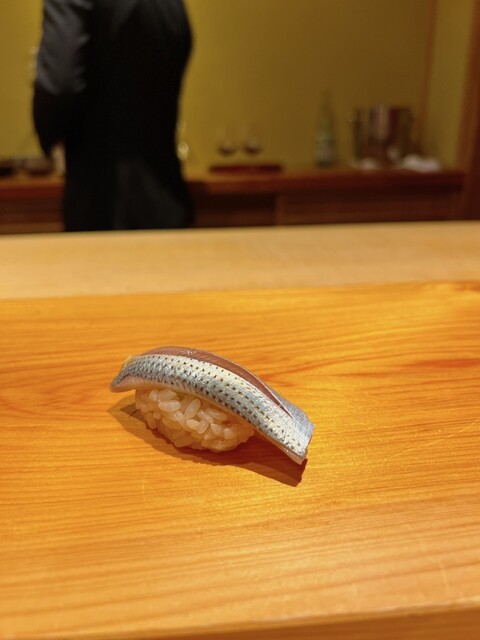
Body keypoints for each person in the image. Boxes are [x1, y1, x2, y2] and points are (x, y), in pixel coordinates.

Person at [33, 0, 193, 231]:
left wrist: (49, 136)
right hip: (169, 203)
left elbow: (59, 84)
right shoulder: (169, 4)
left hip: (102, 205)